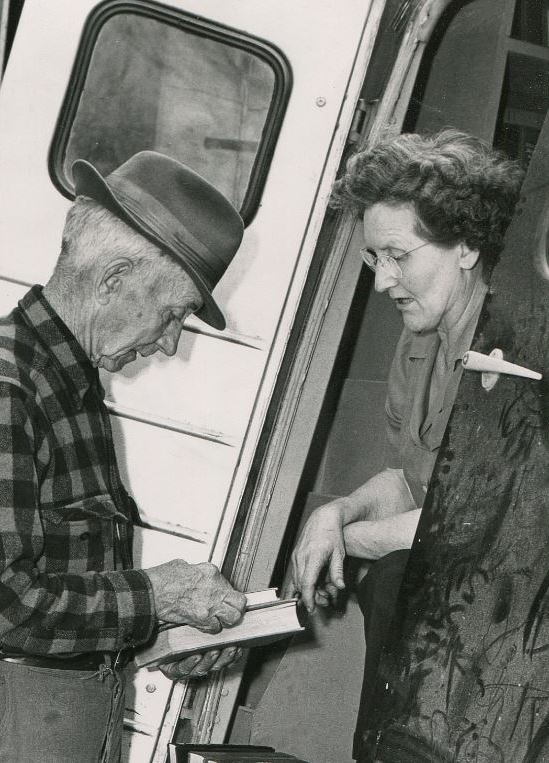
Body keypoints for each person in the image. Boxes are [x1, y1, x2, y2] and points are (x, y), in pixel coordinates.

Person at [0, 150, 250, 763]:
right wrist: (155, 598)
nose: (170, 342)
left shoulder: (65, 384)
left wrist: (164, 630)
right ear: (113, 278)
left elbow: (59, 590)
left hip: (36, 719)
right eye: (173, 313)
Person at [283, 129, 522, 760]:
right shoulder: (419, 344)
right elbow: (412, 482)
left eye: (398, 256)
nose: (383, 280)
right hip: (452, 624)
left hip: (510, 628)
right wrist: (336, 514)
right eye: (374, 259)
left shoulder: (514, 351)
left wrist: (348, 542)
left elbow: (474, 522)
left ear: (466, 245)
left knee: (393, 578)